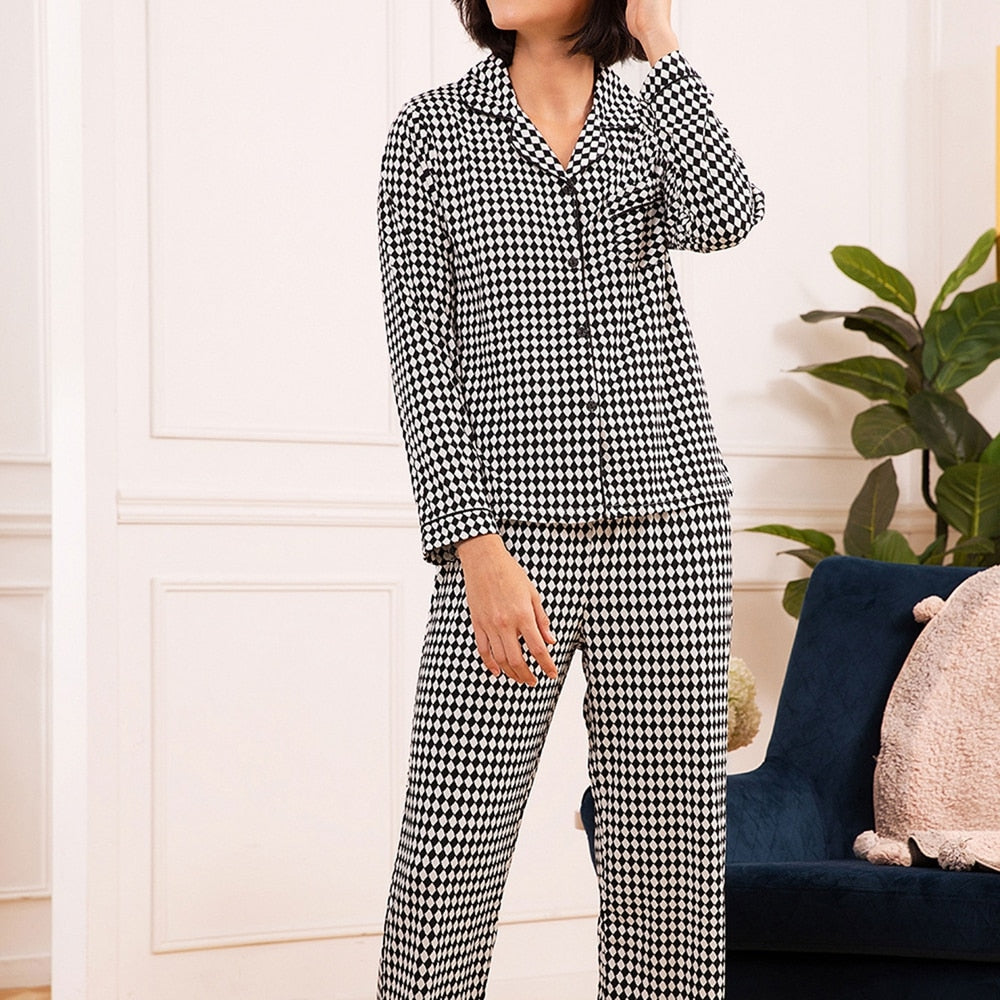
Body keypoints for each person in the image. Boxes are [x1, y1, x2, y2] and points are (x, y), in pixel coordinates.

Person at [375, 0, 765, 996]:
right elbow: (422, 359)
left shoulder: (648, 117)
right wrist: (475, 549)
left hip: (669, 529)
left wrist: (660, 43)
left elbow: (728, 214)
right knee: (446, 865)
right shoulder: (432, 132)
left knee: (668, 884)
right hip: (511, 539)